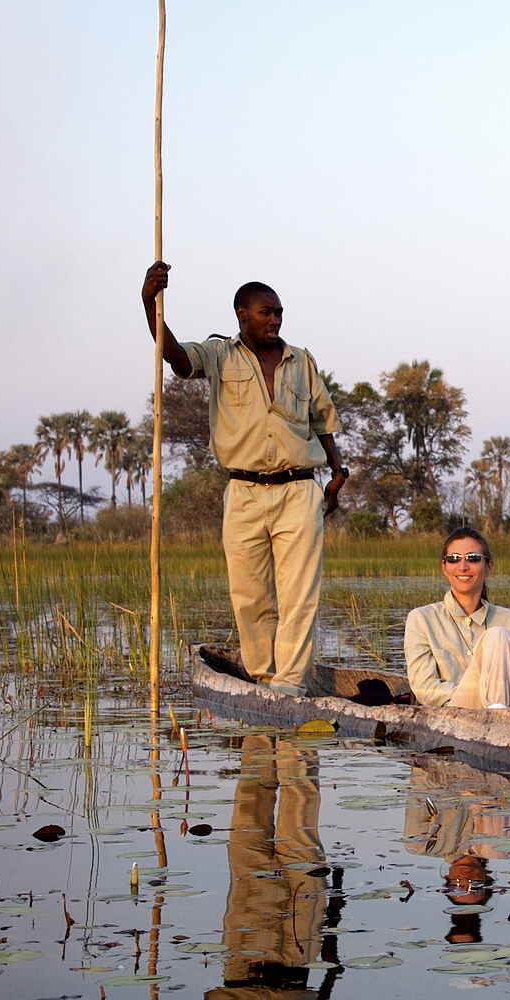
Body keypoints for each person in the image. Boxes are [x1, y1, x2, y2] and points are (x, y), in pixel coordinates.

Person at [141, 262, 350, 696]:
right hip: (243, 491)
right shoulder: (220, 356)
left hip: (298, 488)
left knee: (299, 594)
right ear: (241, 314)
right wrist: (150, 301)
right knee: (250, 595)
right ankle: (260, 678)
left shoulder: (301, 361)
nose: (274, 320)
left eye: (278, 313)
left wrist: (337, 472)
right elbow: (176, 357)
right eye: (265, 312)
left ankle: (290, 683)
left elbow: (322, 420)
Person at [402, 527, 510, 708]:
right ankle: (495, 714)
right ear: (444, 567)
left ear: (489, 566)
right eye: (453, 559)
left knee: (498, 635)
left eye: (473, 558)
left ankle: (496, 716)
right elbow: (425, 688)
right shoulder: (421, 619)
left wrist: (509, 691)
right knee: (498, 635)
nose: (463, 567)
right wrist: (478, 694)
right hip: (451, 713)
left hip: (503, 706)